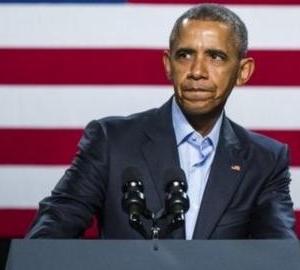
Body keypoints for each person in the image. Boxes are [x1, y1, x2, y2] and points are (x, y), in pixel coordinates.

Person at [26, 3, 296, 239]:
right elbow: (48, 236)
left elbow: (281, 255)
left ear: (243, 72)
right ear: (168, 65)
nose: (197, 72)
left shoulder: (265, 159)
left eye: (215, 56)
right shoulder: (110, 141)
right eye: (185, 55)